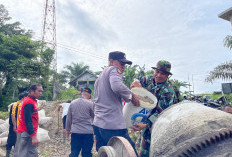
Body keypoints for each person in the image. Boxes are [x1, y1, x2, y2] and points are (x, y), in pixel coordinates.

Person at [93, 51, 140, 153]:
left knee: (105, 153)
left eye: (124, 65)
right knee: (130, 152)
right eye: (121, 63)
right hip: (112, 125)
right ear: (111, 61)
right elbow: (117, 86)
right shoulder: (114, 69)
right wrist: (132, 96)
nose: (123, 67)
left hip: (98, 124)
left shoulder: (100, 77)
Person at [131, 60, 177, 157]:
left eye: (163, 73)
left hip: (158, 125)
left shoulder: (168, 91)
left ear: (167, 75)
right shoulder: (149, 79)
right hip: (144, 118)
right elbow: (138, 80)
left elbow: (161, 113)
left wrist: (145, 124)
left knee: (151, 151)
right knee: (140, 147)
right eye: (157, 72)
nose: (159, 75)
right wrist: (136, 85)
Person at [15, 84, 43, 157]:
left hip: (25, 131)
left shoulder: (29, 100)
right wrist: (33, 137)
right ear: (32, 91)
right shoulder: (29, 103)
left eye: (41, 91)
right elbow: (28, 121)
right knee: (29, 154)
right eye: (39, 91)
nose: (40, 93)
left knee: (25, 153)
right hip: (27, 133)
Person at [66, 87, 94, 157]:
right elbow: (95, 116)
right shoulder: (90, 104)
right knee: (87, 153)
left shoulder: (72, 103)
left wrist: (68, 130)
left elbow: (68, 118)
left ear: (81, 94)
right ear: (89, 95)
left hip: (76, 132)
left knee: (74, 153)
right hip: (88, 132)